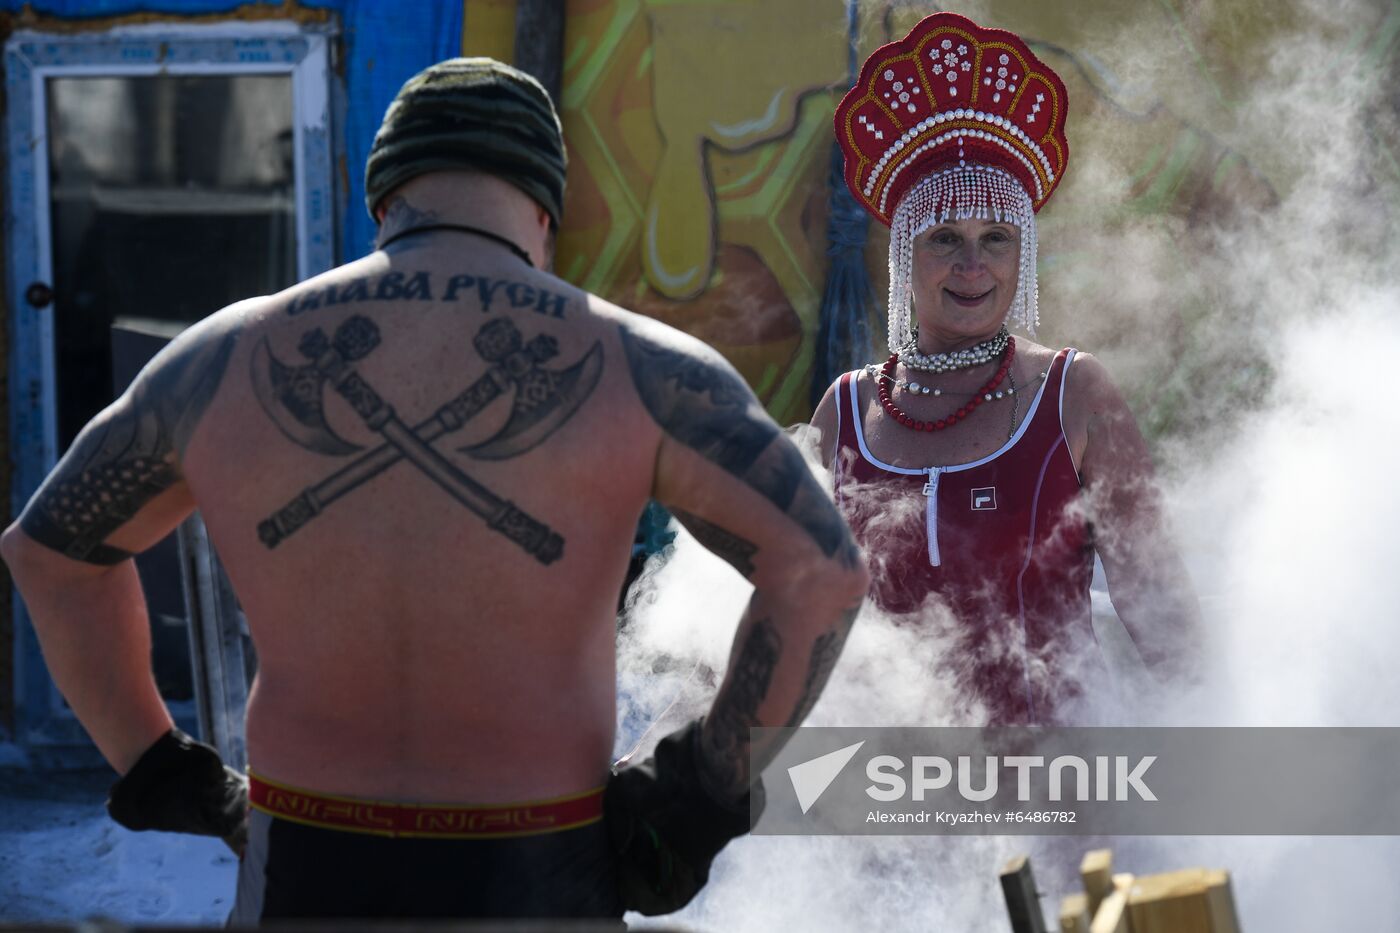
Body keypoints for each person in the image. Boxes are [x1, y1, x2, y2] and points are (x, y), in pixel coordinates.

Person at [2, 58, 868, 923]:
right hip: (539, 867)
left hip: (304, 860)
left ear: (384, 201)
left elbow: (47, 551)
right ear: (541, 212)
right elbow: (820, 572)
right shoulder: (642, 368)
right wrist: (702, 798)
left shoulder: (221, 359)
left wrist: (161, 768)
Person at [811, 13, 1200, 725]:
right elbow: (791, 617)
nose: (972, 264)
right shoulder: (843, 411)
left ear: (1022, 255)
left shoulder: (1075, 395)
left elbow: (1162, 612)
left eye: (996, 237)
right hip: (881, 808)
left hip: (1061, 802)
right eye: (944, 238)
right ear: (903, 253)